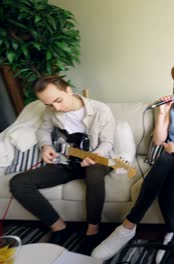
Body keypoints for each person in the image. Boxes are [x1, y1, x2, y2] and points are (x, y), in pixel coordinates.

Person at [92, 65, 174, 262]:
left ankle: (128, 226)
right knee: (167, 177)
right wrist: (161, 115)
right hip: (171, 161)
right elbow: (159, 141)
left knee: (166, 159)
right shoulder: (171, 109)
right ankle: (171, 233)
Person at [9, 76, 115, 255]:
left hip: (98, 159)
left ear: (68, 91)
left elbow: (107, 142)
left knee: (94, 172)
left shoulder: (100, 110)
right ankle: (59, 227)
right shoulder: (51, 111)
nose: (56, 108)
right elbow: (43, 130)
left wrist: (95, 156)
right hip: (68, 161)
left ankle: (93, 230)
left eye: (58, 100)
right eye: (49, 105)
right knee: (18, 183)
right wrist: (46, 146)